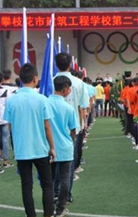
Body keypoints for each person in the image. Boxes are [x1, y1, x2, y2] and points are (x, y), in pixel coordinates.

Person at [4, 63, 55, 217]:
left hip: (22, 149)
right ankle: (48, 214)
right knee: (47, 185)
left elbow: (10, 126)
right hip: (40, 148)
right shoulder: (42, 99)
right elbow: (47, 126)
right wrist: (52, 147)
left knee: (26, 186)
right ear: (35, 78)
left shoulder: (12, 100)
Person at [54, 53, 89, 202]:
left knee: (54, 162)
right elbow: (83, 106)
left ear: (56, 64)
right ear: (70, 65)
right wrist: (82, 124)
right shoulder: (79, 82)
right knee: (68, 164)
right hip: (72, 127)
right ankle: (66, 194)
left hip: (53, 127)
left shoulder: (50, 81)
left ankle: (56, 192)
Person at [49, 76, 78, 217]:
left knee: (50, 178)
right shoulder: (68, 107)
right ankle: (60, 208)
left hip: (48, 147)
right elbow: (74, 129)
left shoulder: (45, 103)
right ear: (65, 89)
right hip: (65, 147)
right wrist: (71, 141)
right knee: (65, 178)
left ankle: (51, 203)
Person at [0, 71, 14, 168]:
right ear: (2, 80)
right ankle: (5, 160)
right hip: (4, 118)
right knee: (5, 139)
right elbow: (9, 105)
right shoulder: (6, 92)